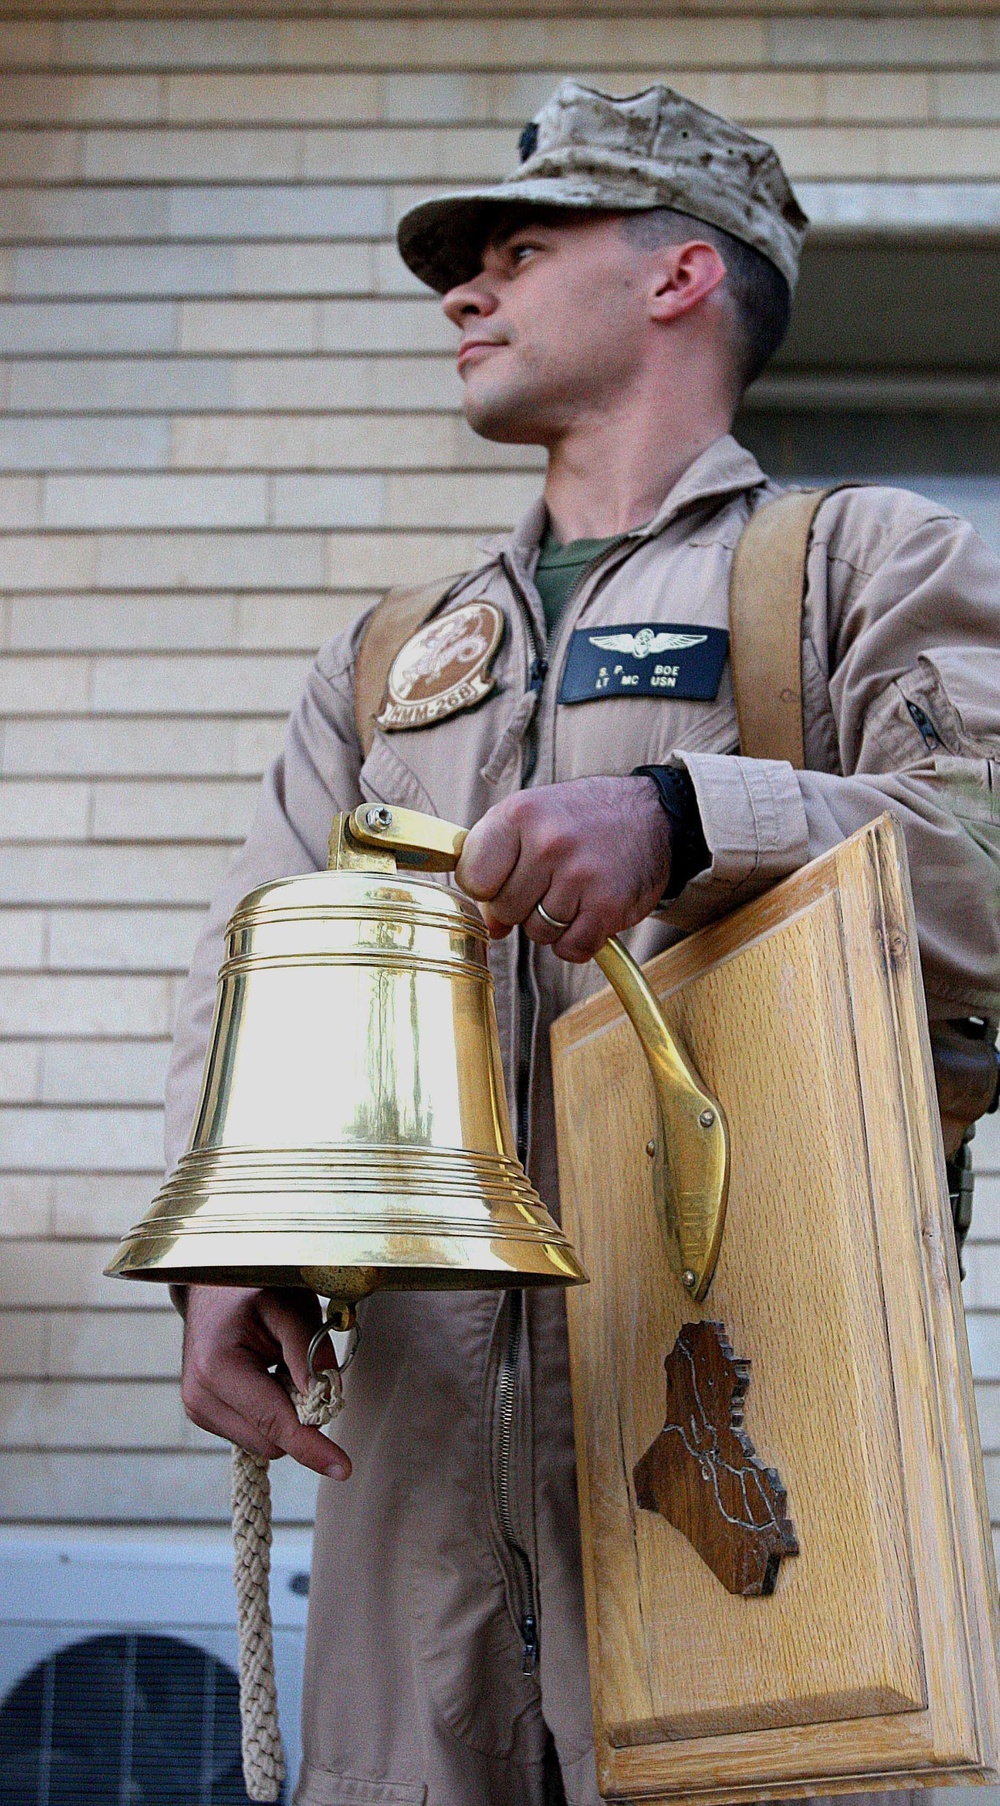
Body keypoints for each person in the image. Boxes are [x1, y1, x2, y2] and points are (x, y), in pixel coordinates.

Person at [169, 81, 1000, 1806]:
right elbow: (253, 957)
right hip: (410, 1466)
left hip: (746, 1424)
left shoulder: (854, 566)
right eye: (465, 266)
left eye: (519, 250)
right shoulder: (391, 654)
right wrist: (225, 1240)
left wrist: (695, 820)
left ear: (682, 276)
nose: (463, 292)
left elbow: (987, 851)